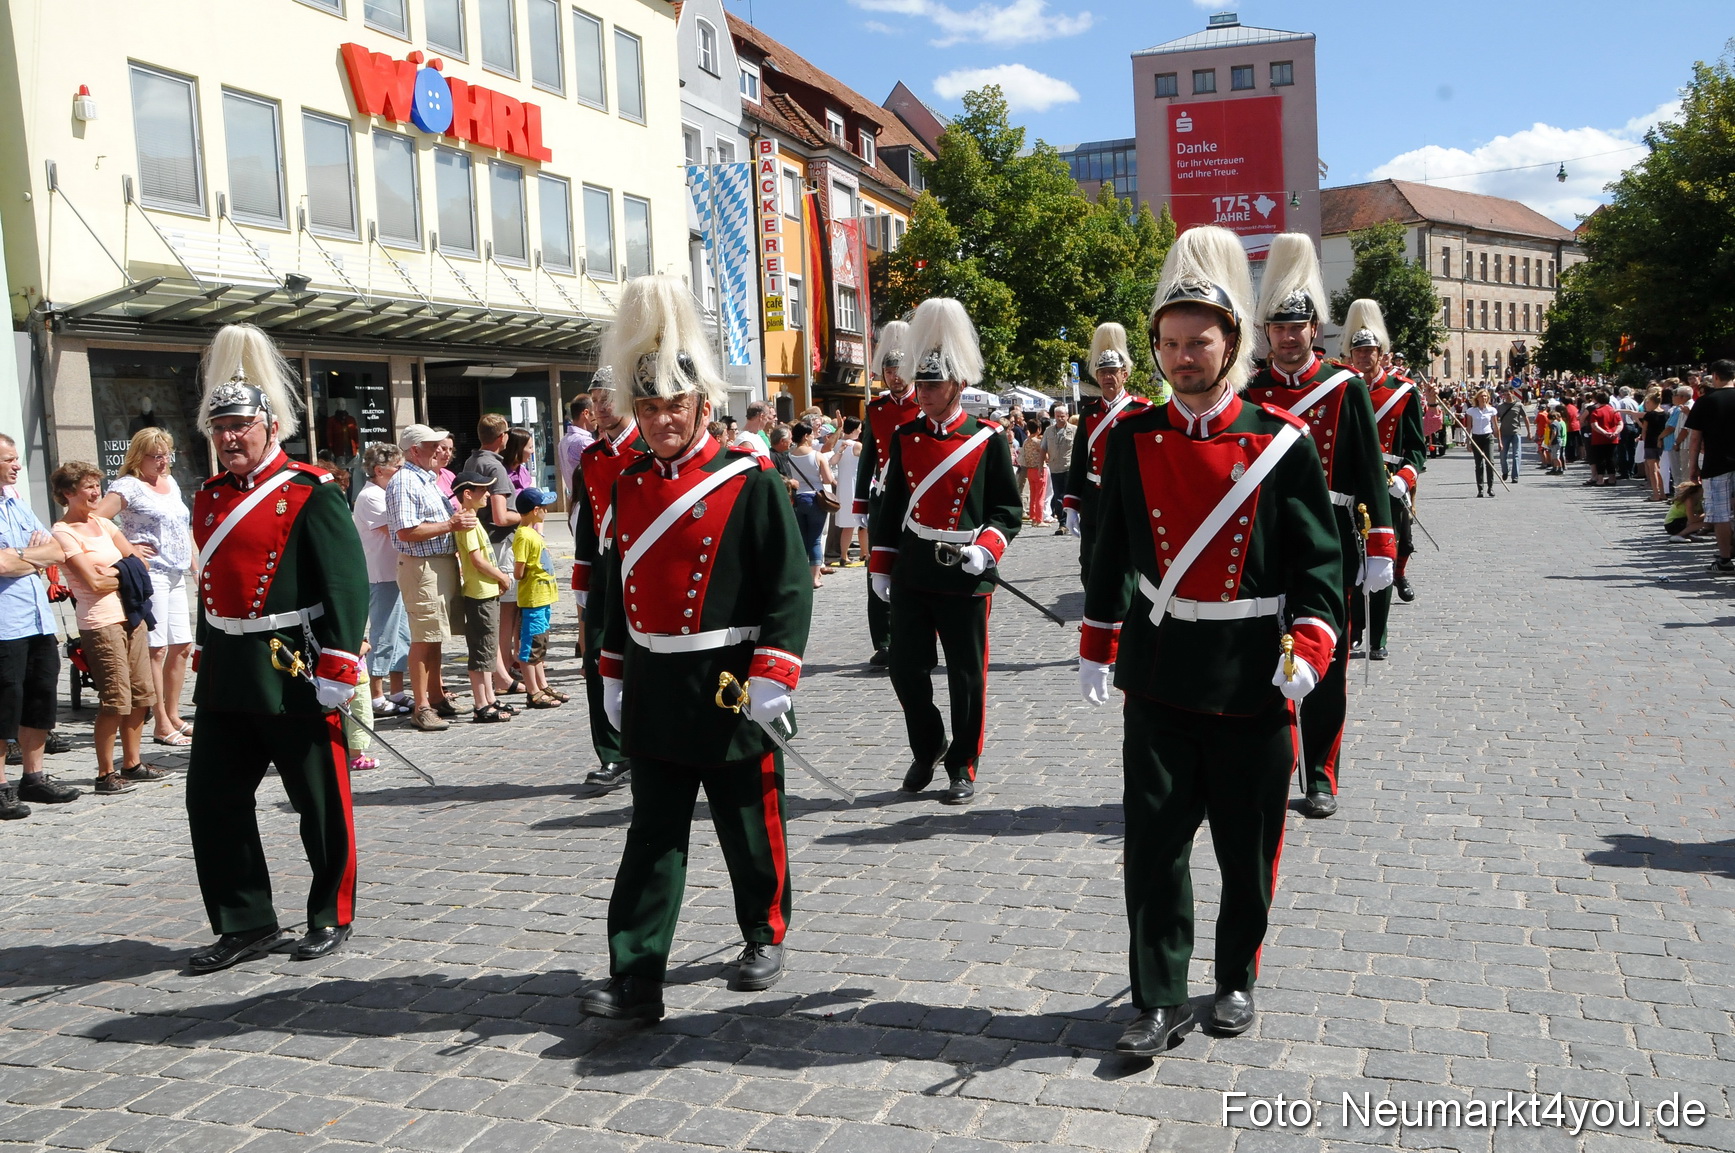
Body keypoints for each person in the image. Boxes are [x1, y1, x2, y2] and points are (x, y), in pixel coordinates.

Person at [1079, 224, 1343, 1054]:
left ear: (1230, 344)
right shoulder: (1131, 437)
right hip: (1160, 670)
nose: (1181, 357)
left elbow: (1317, 563)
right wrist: (1097, 636)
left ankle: (1234, 977)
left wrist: (1310, 642)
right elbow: (1111, 548)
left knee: (1245, 844)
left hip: (1251, 673)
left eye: (1197, 342)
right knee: (1154, 846)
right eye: (1168, 344)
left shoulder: (1279, 442)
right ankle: (1156, 995)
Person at [582, 276, 812, 1021]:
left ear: (702, 406)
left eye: (673, 406)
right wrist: (612, 670)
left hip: (728, 678)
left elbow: (787, 581)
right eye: (647, 408)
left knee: (749, 820)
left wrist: (775, 669)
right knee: (652, 833)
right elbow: (616, 586)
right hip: (655, 679)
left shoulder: (749, 478)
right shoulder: (627, 484)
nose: (660, 421)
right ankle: (636, 973)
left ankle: (763, 932)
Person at [182, 323, 368, 972]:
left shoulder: (310, 490)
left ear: (270, 426)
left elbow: (345, 582)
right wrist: (204, 650)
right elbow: (212, 587)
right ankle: (244, 920)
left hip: (293, 664)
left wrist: (339, 663)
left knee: (319, 800)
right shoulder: (208, 498)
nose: (230, 437)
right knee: (212, 800)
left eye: (240, 425)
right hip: (229, 669)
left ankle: (330, 912)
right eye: (220, 428)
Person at [1242, 234, 1394, 819]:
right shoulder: (1249, 390)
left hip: (1330, 539)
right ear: (1266, 333)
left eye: (1296, 326)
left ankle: (1321, 773)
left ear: (1314, 329)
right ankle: (1266, 763)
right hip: (1262, 541)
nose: (1287, 336)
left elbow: (1369, 471)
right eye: (1277, 327)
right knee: (1263, 656)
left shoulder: (1344, 387)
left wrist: (1380, 546)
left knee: (1325, 661)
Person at [870, 298, 1021, 806]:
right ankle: (928, 744)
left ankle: (962, 764)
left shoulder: (986, 438)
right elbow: (892, 507)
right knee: (905, 669)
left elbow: (1007, 509)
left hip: (964, 572)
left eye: (933, 385)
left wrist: (987, 547)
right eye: (921, 384)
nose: (924, 393)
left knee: (965, 676)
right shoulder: (906, 436)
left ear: (957, 385)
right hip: (915, 568)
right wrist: (881, 565)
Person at [51, 462, 162, 796]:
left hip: (131, 616)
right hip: (100, 623)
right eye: (88, 486)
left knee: (142, 695)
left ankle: (132, 763)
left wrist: (116, 571)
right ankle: (104, 773)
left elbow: (139, 563)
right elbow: (93, 583)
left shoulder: (103, 523)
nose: (96, 492)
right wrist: (125, 572)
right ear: (68, 493)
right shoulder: (63, 532)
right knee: (115, 700)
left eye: (97, 485)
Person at [95, 428, 195, 747]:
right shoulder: (128, 486)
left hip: (177, 571)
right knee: (156, 648)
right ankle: (160, 721)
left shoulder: (170, 482)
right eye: (156, 456)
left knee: (182, 645)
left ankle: (173, 713)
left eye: (167, 454)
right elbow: (97, 520)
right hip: (152, 574)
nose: (163, 461)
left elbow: (181, 526)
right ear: (140, 456)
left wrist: (194, 565)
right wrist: (129, 548)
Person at [1340, 301, 1425, 659]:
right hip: (1350, 485)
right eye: (1357, 351)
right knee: (1351, 559)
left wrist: (1405, 478)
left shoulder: (1403, 392)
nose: (1362, 357)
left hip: (1388, 485)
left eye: (1369, 351)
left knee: (1383, 556)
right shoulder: (1341, 388)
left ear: (1381, 354)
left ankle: (1379, 636)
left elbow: (1418, 448)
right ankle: (1354, 629)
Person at [571, 367, 642, 788]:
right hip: (604, 571)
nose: (600, 406)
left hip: (644, 567)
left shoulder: (649, 447)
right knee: (596, 660)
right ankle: (614, 754)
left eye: (608, 397)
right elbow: (588, 520)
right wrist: (582, 581)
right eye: (596, 400)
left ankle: (651, 745)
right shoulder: (592, 456)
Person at [0, 436, 75, 817]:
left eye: (17, 458)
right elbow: (0, 565)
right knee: (4, 705)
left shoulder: (16, 502)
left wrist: (20, 556)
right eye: (9, 459)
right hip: (4, 624)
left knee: (40, 697)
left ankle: (33, 777)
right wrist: (31, 556)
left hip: (36, 619)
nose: (17, 465)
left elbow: (57, 551)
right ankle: (0, 786)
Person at [388, 425, 473, 731]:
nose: (440, 449)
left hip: (437, 564)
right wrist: (451, 525)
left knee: (435, 635)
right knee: (423, 637)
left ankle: (436, 697)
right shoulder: (404, 481)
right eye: (433, 444)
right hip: (421, 566)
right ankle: (421, 706)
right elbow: (406, 531)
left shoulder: (427, 478)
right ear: (415, 450)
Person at [1064, 323, 1155, 587]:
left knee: (1129, 559)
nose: (1107, 377)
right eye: (1103, 372)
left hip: (1128, 493)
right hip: (1095, 496)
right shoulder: (1089, 413)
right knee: (1091, 560)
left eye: (1113, 372)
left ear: (1124, 375)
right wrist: (1071, 505)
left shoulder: (1141, 410)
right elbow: (1079, 461)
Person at [854, 321, 919, 667]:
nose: (895, 377)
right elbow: (868, 457)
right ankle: (884, 640)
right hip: (882, 498)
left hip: (916, 496)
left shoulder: (923, 405)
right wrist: (860, 503)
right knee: (877, 567)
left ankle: (917, 633)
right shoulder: (875, 409)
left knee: (916, 565)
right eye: (889, 371)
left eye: (900, 371)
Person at [461, 415, 524, 698]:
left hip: (485, 541)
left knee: (495, 616)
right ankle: (502, 673)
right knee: (503, 614)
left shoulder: (471, 460)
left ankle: (500, 674)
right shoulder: (494, 465)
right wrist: (524, 515)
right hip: (498, 543)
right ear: (502, 436)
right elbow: (500, 516)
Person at [351, 443, 411, 717]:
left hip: (397, 573)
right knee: (383, 635)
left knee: (402, 636)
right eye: (397, 468)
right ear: (379, 470)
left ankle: (396, 691)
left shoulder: (386, 493)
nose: (401, 472)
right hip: (381, 575)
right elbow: (398, 529)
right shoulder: (370, 496)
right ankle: (376, 695)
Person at [450, 473, 513, 722]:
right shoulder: (467, 522)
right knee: (480, 649)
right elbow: (476, 560)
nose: (488, 494)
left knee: (488, 647)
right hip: (479, 593)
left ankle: (489, 698)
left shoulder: (474, 520)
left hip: (487, 591)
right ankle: (480, 704)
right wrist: (502, 577)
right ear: (468, 494)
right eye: (483, 490)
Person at [512, 487, 562, 708]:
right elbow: (519, 571)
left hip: (543, 599)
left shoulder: (532, 533)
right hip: (533, 599)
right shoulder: (523, 535)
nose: (546, 511)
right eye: (544, 508)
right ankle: (532, 691)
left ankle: (542, 685)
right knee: (530, 646)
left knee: (540, 644)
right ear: (535, 510)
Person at [1684, 359, 1735, 574]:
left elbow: (1695, 438)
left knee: (1720, 514)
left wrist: (1693, 466)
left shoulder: (1706, 401)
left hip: (1716, 463)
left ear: (1714, 376)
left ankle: (1725, 560)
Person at [785, 422, 836, 590]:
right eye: (812, 434)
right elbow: (828, 479)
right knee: (815, 538)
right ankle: (814, 578)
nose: (814, 437)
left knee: (802, 538)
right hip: (815, 498)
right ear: (806, 436)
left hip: (797, 498)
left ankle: (802, 575)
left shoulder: (789, 455)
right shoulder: (817, 455)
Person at [830, 417, 866, 566]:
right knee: (863, 522)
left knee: (847, 525)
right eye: (859, 428)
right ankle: (864, 553)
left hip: (843, 485)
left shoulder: (838, 443)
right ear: (854, 429)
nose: (860, 430)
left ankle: (844, 555)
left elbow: (833, 461)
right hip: (855, 484)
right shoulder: (856, 445)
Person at [1043, 404, 1075, 533]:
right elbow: (1043, 448)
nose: (1060, 418)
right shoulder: (1049, 431)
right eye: (1057, 416)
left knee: (1068, 495)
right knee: (1057, 496)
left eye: (1062, 416)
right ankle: (1062, 523)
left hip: (1069, 467)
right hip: (1055, 467)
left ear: (1067, 416)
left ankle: (1072, 521)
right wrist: (1040, 466)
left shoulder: (1074, 430)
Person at [1585, 391, 1623, 487]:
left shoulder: (1596, 411)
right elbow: (1620, 423)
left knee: (1600, 459)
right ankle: (1612, 479)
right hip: (1613, 438)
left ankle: (1600, 480)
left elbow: (1594, 425)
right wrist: (1616, 432)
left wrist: (1604, 432)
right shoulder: (1614, 410)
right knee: (1611, 458)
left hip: (1599, 439)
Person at [1464, 389, 1498, 496]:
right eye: (1482, 396)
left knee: (1490, 462)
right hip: (1476, 438)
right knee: (1478, 464)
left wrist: (1500, 441)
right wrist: (1468, 442)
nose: (1484, 398)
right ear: (1477, 398)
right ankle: (1480, 489)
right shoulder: (1471, 411)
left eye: (1485, 396)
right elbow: (1469, 427)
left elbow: (1495, 426)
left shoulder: (1492, 410)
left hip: (1488, 437)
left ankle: (1490, 487)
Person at [557, 394, 596, 484]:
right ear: (586, 413)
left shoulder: (563, 441)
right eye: (595, 413)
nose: (598, 418)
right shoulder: (585, 442)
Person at [1496, 387, 1530, 486]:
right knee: (1503, 455)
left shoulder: (1519, 405)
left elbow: (1525, 418)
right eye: (1505, 395)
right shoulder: (1500, 406)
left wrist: (1529, 432)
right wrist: (1495, 431)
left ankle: (1515, 476)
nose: (1507, 396)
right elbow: (1496, 419)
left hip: (1516, 432)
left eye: (1508, 394)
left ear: (1512, 394)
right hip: (1504, 433)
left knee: (1516, 455)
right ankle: (1505, 471)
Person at [1640, 389, 1670, 501]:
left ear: (1652, 402)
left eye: (1647, 402)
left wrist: (1643, 440)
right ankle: (1663, 492)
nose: (1646, 405)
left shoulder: (1649, 415)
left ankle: (1656, 494)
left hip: (1650, 442)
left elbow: (1644, 430)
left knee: (1652, 470)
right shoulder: (1666, 414)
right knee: (1662, 468)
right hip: (1662, 442)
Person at [1020, 419, 1049, 525]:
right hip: (1039, 469)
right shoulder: (1038, 442)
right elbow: (1046, 457)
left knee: (1033, 495)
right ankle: (1039, 519)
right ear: (1038, 429)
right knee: (1040, 495)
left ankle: (1033, 518)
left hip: (1030, 470)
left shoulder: (1026, 441)